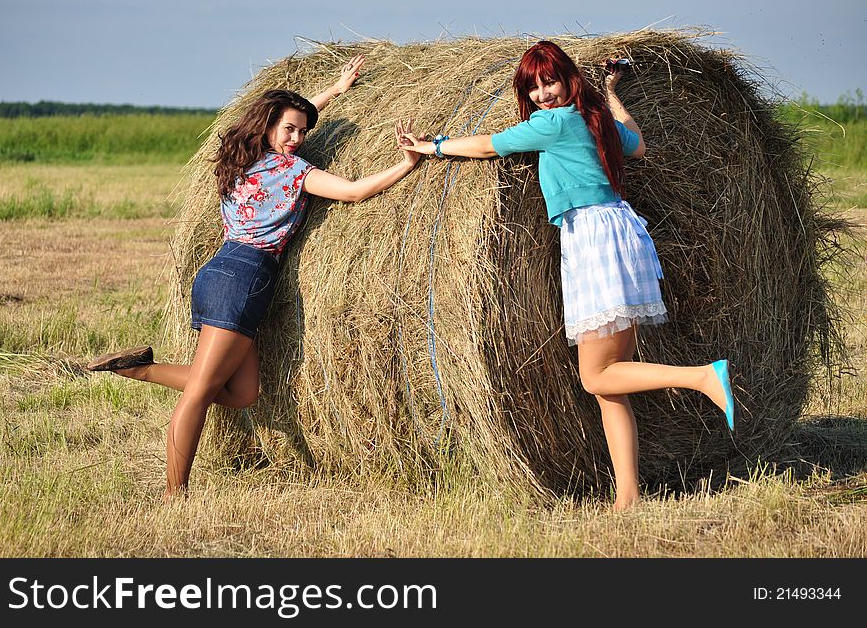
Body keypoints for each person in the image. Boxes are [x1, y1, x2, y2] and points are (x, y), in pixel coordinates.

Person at [401, 41, 735, 511]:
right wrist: (612, 93)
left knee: (595, 377)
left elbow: (488, 145)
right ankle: (628, 499)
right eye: (533, 87)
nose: (543, 95)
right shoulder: (593, 120)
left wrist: (431, 146)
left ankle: (703, 377)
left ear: (568, 79)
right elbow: (636, 143)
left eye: (550, 81)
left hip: (595, 241)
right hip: (620, 233)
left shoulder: (553, 124)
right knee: (612, 386)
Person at [87, 56, 424, 500]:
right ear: (268, 127)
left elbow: (290, 117)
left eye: (304, 131)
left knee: (243, 393)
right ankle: (174, 494)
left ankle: (138, 368)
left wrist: (335, 91)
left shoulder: (245, 160)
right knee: (201, 394)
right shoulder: (295, 172)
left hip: (217, 273)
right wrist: (408, 164)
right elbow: (356, 191)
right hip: (244, 277)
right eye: (290, 130)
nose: (298, 138)